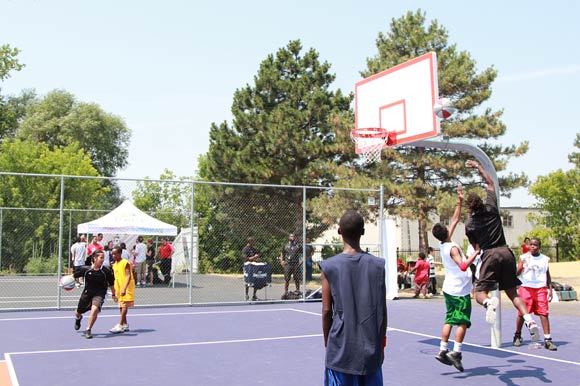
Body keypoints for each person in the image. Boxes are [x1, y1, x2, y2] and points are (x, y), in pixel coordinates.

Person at [464, 159, 540, 340]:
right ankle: (530, 321)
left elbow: (477, 247)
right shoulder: (491, 208)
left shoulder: (470, 224)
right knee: (512, 292)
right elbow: (490, 183)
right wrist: (478, 166)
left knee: (479, 293)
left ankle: (489, 303)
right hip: (506, 252)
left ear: (470, 207)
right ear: (481, 202)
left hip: (490, 254)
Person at [319, 210, 387, 386]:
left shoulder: (329, 266)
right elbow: (382, 311)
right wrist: (381, 345)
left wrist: (329, 343)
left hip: (341, 350)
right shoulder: (378, 266)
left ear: (339, 231)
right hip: (370, 349)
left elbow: (327, 310)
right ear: (362, 232)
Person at [432, 184, 480, 372]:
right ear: (445, 231)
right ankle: (456, 351)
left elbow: (455, 219)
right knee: (462, 321)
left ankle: (442, 349)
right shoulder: (452, 248)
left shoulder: (444, 244)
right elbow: (462, 265)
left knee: (450, 319)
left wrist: (459, 200)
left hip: (449, 288)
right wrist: (475, 253)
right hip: (459, 289)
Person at [513, 238, 557, 351]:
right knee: (523, 313)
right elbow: (516, 274)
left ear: (539, 247)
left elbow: (547, 275)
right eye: (531, 245)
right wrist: (521, 266)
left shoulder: (545, 259)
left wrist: (550, 289)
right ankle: (517, 335)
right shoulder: (524, 257)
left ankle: (547, 339)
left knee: (544, 313)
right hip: (526, 287)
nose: (533, 246)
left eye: (535, 245)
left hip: (540, 288)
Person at [72, 250, 115, 339]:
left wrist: (114, 294)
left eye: (103, 258)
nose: (102, 260)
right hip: (87, 294)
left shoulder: (105, 271)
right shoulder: (86, 269)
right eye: (101, 257)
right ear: (95, 259)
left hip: (99, 294)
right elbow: (73, 276)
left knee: (94, 309)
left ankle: (88, 329)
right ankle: (78, 318)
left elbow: (111, 284)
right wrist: (66, 281)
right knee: (78, 312)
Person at [110, 246, 135, 334]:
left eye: (115, 253)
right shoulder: (114, 265)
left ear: (120, 253)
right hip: (119, 286)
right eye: (112, 254)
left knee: (124, 305)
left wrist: (124, 288)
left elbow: (128, 276)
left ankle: (120, 325)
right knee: (121, 305)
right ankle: (125, 324)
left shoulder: (125, 263)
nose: (113, 255)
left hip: (126, 286)